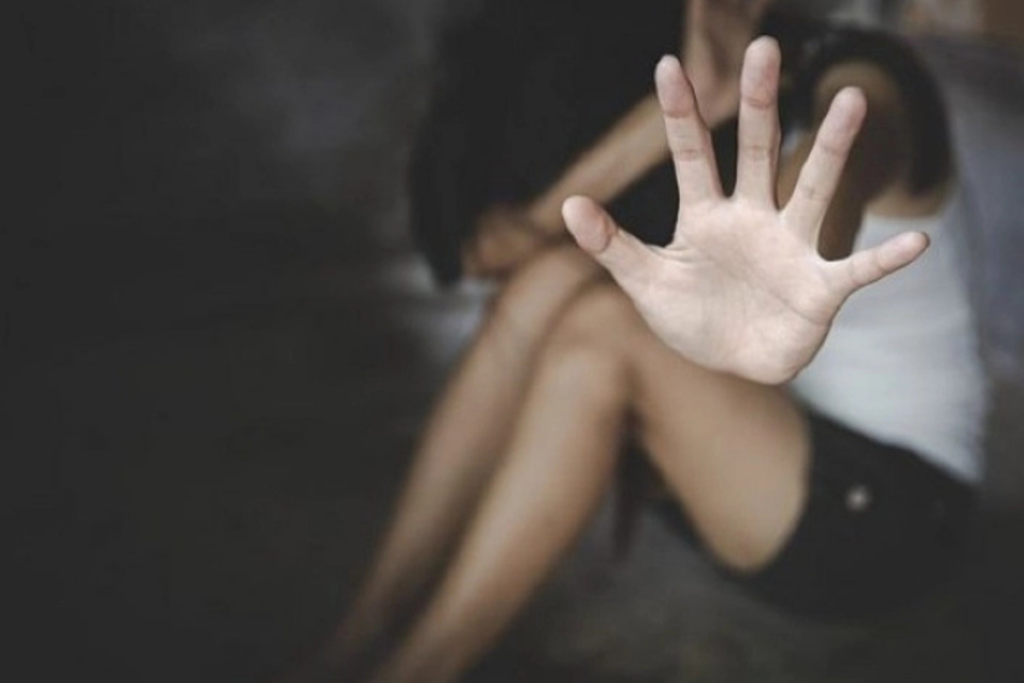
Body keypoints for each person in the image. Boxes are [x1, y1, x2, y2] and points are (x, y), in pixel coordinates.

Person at [284, 1, 987, 681]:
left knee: (604, 330)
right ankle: (361, 634)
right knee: (552, 278)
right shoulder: (704, 71)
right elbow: (501, 251)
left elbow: (840, 160)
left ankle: (414, 671)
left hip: (886, 520)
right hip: (769, 465)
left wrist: (789, 259)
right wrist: (699, 93)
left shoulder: (872, 79)